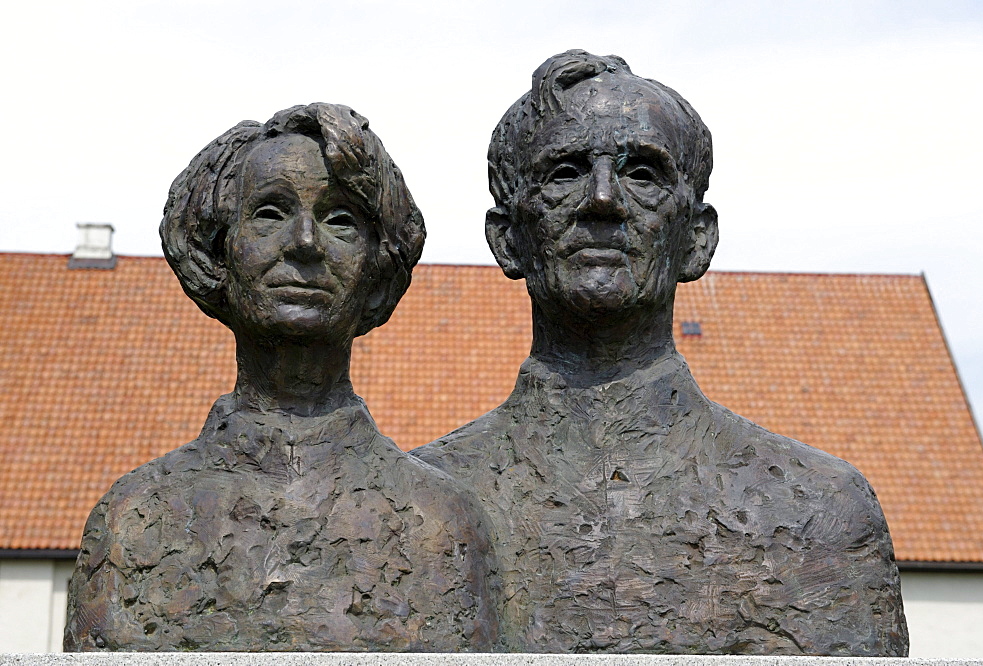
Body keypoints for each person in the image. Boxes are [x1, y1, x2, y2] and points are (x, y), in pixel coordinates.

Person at [413, 51, 908, 655]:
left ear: (697, 239)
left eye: (642, 174)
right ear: (508, 237)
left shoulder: (819, 511)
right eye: (564, 172)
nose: (602, 198)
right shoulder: (411, 511)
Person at [64, 103, 499, 652]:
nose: (305, 242)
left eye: (340, 219)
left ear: (377, 270)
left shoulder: (441, 526)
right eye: (270, 212)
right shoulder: (135, 520)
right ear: (217, 252)